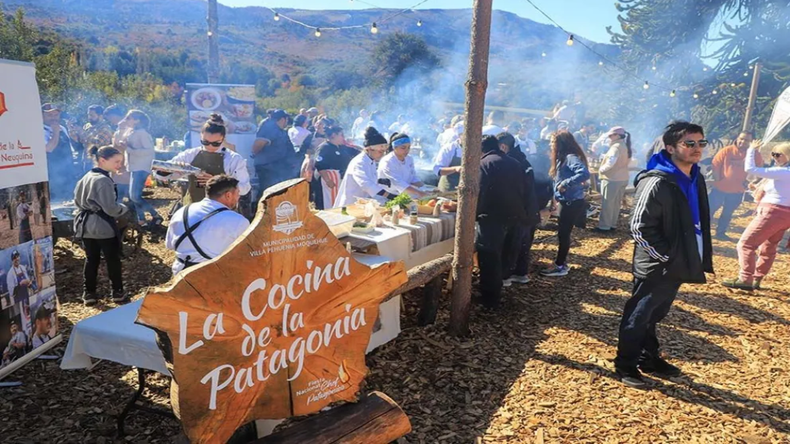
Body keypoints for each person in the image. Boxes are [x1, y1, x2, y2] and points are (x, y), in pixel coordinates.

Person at [615, 121, 714, 388]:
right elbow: (638, 227)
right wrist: (666, 256)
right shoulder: (656, 180)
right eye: (689, 143)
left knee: (655, 314)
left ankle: (649, 358)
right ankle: (625, 365)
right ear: (670, 147)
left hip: (679, 260)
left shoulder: (695, 176)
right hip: (659, 264)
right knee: (638, 315)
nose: (697, 148)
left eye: (701, 143)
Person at [721, 141, 790, 290]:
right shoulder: (783, 171)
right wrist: (756, 189)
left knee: (745, 244)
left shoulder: (783, 172)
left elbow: (750, 169)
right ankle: (757, 278)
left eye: (778, 155)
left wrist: (752, 149)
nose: (774, 157)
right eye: (773, 154)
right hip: (785, 214)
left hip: (772, 212)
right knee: (769, 247)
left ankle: (745, 278)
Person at [476, 135, 530, 308]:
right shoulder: (514, 162)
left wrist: (473, 213)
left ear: (480, 149)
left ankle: (490, 299)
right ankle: (500, 290)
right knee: (505, 254)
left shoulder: (483, 164)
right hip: (515, 216)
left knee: (489, 256)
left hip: (492, 217)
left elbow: (480, 193)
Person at [73, 146, 129, 306]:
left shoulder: (86, 177)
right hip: (102, 227)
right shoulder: (103, 180)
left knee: (91, 260)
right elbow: (111, 209)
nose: (119, 165)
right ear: (103, 160)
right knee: (113, 260)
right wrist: (124, 207)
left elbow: (77, 201)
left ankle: (88, 294)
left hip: (85, 226)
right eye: (116, 161)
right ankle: (118, 293)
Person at [156, 114, 251, 205]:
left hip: (222, 211)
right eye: (205, 142)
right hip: (193, 206)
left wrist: (218, 183)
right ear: (200, 136)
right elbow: (162, 175)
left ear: (223, 139)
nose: (210, 146)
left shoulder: (233, 159)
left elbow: (244, 188)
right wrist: (166, 170)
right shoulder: (190, 154)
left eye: (215, 143)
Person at [166, 175, 250, 275]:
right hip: (213, 276)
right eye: (238, 193)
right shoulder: (239, 221)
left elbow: (169, 245)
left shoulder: (182, 211)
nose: (239, 197)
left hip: (180, 274)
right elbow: (247, 255)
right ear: (228, 195)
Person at [540, 131, 590, 277]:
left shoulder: (570, 158)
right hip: (566, 201)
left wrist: (565, 184)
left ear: (560, 143)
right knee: (563, 233)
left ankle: (560, 265)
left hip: (572, 202)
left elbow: (584, 173)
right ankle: (561, 263)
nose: (550, 144)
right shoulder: (562, 158)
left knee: (564, 234)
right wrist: (555, 199)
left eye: (552, 142)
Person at [497, 133, 540, 285]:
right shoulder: (522, 159)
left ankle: (506, 276)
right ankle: (521, 273)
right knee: (523, 243)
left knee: (512, 242)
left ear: (503, 146)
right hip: (529, 207)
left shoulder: (511, 162)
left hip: (519, 208)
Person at [709, 131, 760, 240]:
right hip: (719, 188)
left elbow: (758, 169)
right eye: (741, 138)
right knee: (710, 210)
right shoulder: (727, 150)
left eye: (747, 140)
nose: (743, 141)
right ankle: (704, 232)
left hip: (737, 190)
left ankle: (720, 233)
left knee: (727, 213)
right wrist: (718, 179)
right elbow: (715, 164)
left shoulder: (754, 154)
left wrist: (749, 182)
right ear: (737, 138)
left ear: (751, 142)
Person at [116, 110, 160, 226]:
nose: (126, 120)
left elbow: (149, 151)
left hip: (142, 167)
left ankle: (154, 214)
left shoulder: (142, 133)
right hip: (133, 167)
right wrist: (121, 129)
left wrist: (129, 149)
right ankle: (142, 220)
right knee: (133, 195)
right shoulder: (131, 132)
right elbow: (120, 142)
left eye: (128, 118)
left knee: (135, 196)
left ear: (137, 120)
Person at [334, 127, 397, 208]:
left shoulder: (371, 160)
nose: (382, 154)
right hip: (351, 203)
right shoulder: (359, 162)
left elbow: (371, 178)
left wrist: (380, 180)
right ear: (369, 149)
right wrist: (388, 195)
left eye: (383, 152)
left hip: (362, 203)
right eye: (380, 151)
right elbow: (365, 183)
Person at [595, 127, 633, 232]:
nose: (610, 137)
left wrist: (601, 170)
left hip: (612, 179)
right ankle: (612, 224)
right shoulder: (624, 146)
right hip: (623, 178)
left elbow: (610, 163)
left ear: (617, 136)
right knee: (616, 203)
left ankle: (604, 227)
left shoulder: (615, 147)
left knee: (607, 203)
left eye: (611, 135)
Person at [252, 109, 298, 194]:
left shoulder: (281, 131)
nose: (287, 122)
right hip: (268, 168)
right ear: (283, 119)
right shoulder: (270, 128)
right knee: (268, 192)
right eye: (287, 120)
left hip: (278, 168)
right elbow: (257, 145)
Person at [314, 126, 360, 209]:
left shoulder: (341, 147)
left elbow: (355, 151)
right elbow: (319, 164)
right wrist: (328, 180)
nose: (343, 137)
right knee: (329, 203)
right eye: (341, 135)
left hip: (339, 179)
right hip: (328, 181)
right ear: (334, 135)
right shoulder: (324, 147)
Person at [42, 103, 77, 202]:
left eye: (56, 115)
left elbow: (70, 149)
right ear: (42, 116)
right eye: (49, 115)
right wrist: (55, 132)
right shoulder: (39, 130)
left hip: (67, 174)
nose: (53, 118)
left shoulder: (62, 128)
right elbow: (49, 148)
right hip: (52, 177)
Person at [378, 133, 426, 198]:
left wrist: (424, 188)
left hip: (404, 194)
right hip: (387, 196)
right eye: (403, 148)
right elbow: (397, 183)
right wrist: (419, 192)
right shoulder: (388, 161)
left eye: (409, 147)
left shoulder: (409, 159)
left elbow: (413, 178)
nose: (407, 150)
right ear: (395, 147)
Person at [75, 105, 114, 171]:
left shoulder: (105, 128)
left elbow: (97, 143)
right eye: (88, 115)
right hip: (86, 160)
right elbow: (81, 142)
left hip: (99, 162)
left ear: (100, 116)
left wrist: (82, 133)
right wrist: (74, 133)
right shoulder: (87, 126)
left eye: (92, 115)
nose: (89, 117)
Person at [433, 127, 464, 192]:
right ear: (459, 135)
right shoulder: (449, 148)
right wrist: (455, 169)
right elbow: (437, 169)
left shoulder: (477, 148)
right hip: (448, 189)